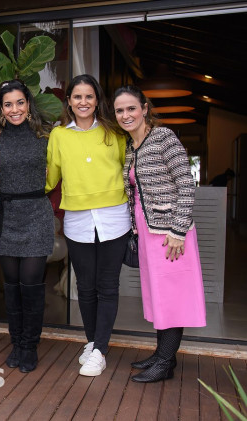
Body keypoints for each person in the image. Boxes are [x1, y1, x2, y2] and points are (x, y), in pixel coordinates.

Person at [113, 85, 206, 383]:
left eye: (131, 108)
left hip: (170, 235)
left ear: (144, 108)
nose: (126, 115)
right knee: (159, 295)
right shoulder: (131, 146)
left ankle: (165, 363)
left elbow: (186, 184)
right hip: (147, 233)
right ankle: (162, 354)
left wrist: (178, 230)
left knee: (172, 297)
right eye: (119, 110)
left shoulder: (164, 137)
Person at [46, 74, 130, 377]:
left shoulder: (114, 132)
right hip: (78, 220)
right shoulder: (59, 135)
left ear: (97, 100)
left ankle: (100, 349)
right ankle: (93, 342)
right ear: (69, 101)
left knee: (107, 286)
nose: (83, 102)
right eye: (77, 97)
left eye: (89, 96)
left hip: (114, 218)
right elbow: (51, 177)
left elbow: (128, 170)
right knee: (85, 286)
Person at [0, 79, 54, 373]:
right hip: (6, 216)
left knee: (31, 285)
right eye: (8, 104)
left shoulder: (46, 134)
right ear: (1, 108)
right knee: (11, 286)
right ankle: (16, 342)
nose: (14, 109)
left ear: (28, 103)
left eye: (19, 102)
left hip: (37, 214)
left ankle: (30, 345)